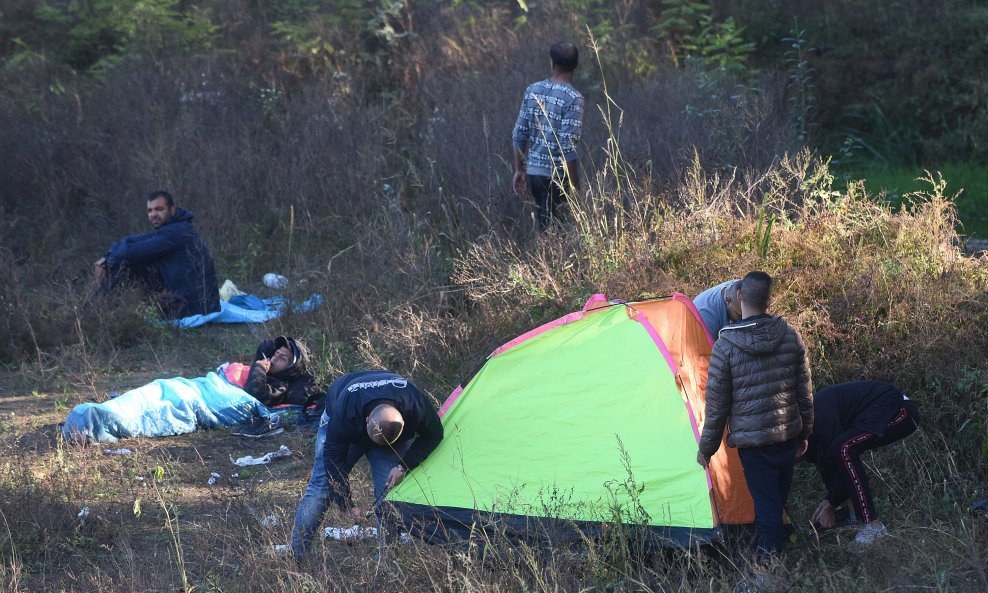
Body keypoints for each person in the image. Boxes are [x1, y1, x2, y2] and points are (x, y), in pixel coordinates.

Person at [697, 271, 813, 559]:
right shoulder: (790, 335)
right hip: (787, 434)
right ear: (768, 300)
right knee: (776, 498)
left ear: (739, 296)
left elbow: (716, 406)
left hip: (754, 444)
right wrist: (805, 431)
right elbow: (805, 391)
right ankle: (779, 548)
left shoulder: (726, 345)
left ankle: (766, 568)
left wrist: (707, 449)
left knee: (765, 504)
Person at [290, 370, 443, 560]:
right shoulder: (345, 413)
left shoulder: (414, 404)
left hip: (387, 430)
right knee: (321, 487)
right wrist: (345, 503)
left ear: (404, 421)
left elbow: (434, 435)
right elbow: (333, 460)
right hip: (344, 414)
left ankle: (388, 562)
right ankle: (296, 557)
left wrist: (403, 466)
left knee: (388, 493)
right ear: (367, 420)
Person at [803, 381, 920, 545]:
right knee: (838, 453)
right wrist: (830, 501)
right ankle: (853, 517)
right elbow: (830, 469)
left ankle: (872, 525)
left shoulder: (819, 421)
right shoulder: (811, 439)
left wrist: (831, 503)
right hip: (875, 413)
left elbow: (840, 460)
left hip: (900, 410)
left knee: (843, 448)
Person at [94, 190, 219, 319]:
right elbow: (135, 241)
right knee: (127, 260)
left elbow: (128, 253)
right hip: (199, 304)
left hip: (191, 308)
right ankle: (99, 309)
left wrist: (107, 260)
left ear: (172, 210)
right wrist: (107, 257)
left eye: (159, 209)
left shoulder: (175, 233)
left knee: (126, 265)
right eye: (150, 210)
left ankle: (93, 310)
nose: (153, 214)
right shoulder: (175, 228)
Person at [511, 42, 584, 229]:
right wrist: (575, 186)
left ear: (552, 63)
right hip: (557, 178)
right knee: (556, 234)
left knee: (546, 227)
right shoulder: (573, 98)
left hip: (534, 175)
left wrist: (520, 170)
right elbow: (567, 145)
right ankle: (545, 257)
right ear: (575, 65)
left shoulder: (532, 90)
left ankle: (543, 256)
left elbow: (519, 133)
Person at [233, 336, 325, 438]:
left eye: (283, 358)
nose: (275, 358)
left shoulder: (281, 386)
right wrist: (259, 357)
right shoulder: (268, 370)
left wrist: (259, 368)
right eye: (277, 353)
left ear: (290, 368)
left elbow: (256, 393)